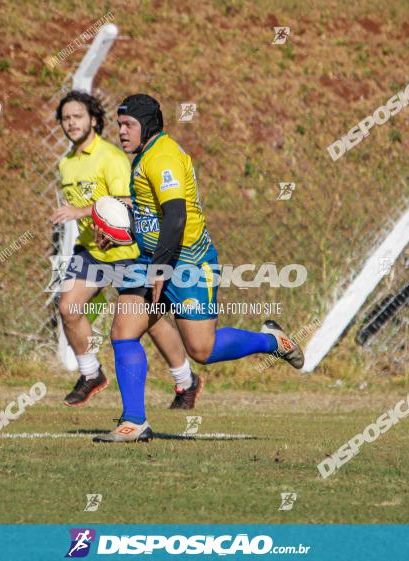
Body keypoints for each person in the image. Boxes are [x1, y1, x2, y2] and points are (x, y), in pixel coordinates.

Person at [92, 94, 303, 443]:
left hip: (188, 261)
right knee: (123, 331)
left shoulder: (163, 157)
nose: (121, 132)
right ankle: (134, 422)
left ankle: (273, 342)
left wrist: (160, 270)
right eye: (119, 124)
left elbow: (176, 217)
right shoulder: (145, 155)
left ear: (147, 125)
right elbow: (152, 213)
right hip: (154, 259)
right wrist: (121, 232)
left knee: (202, 351)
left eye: (128, 125)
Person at [52, 91, 202, 408]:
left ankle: (185, 380)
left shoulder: (111, 158)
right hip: (92, 251)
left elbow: (130, 206)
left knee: (152, 321)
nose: (71, 123)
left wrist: (82, 212)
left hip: (126, 251)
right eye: (66, 118)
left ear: (94, 119)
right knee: (68, 307)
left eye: (78, 116)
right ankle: (91, 373)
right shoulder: (66, 164)